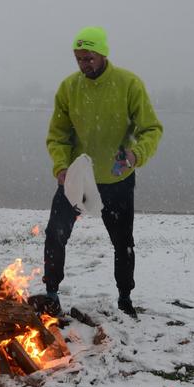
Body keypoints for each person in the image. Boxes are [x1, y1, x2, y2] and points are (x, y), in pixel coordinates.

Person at [42, 26, 163, 319]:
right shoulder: (69, 88)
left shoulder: (128, 84)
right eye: (79, 59)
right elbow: (58, 135)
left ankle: (124, 298)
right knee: (55, 234)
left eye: (89, 58)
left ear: (103, 53)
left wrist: (135, 154)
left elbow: (151, 129)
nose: (84, 65)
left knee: (123, 242)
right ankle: (51, 294)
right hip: (77, 179)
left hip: (117, 180)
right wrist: (60, 167)